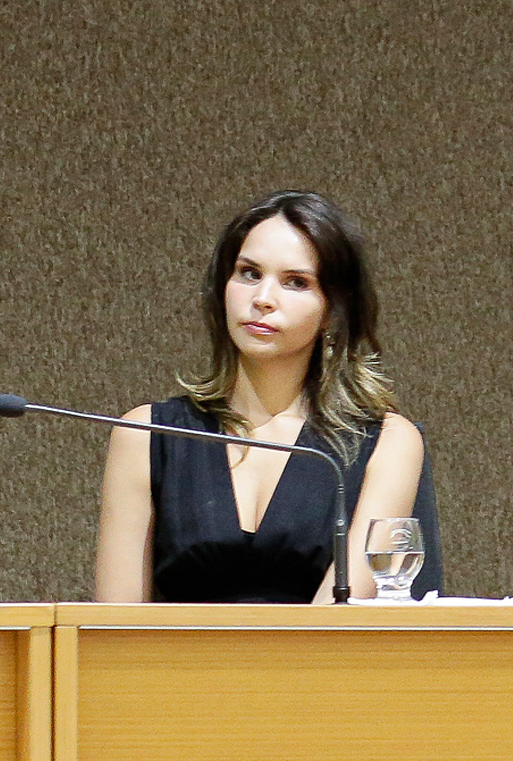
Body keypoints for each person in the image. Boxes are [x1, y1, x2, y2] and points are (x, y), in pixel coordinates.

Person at [93, 190, 425, 603]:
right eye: (249, 273)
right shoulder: (145, 434)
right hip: (169, 665)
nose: (263, 299)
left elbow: (338, 623)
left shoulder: (387, 442)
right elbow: (114, 629)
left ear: (332, 310)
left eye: (296, 282)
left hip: (314, 665)